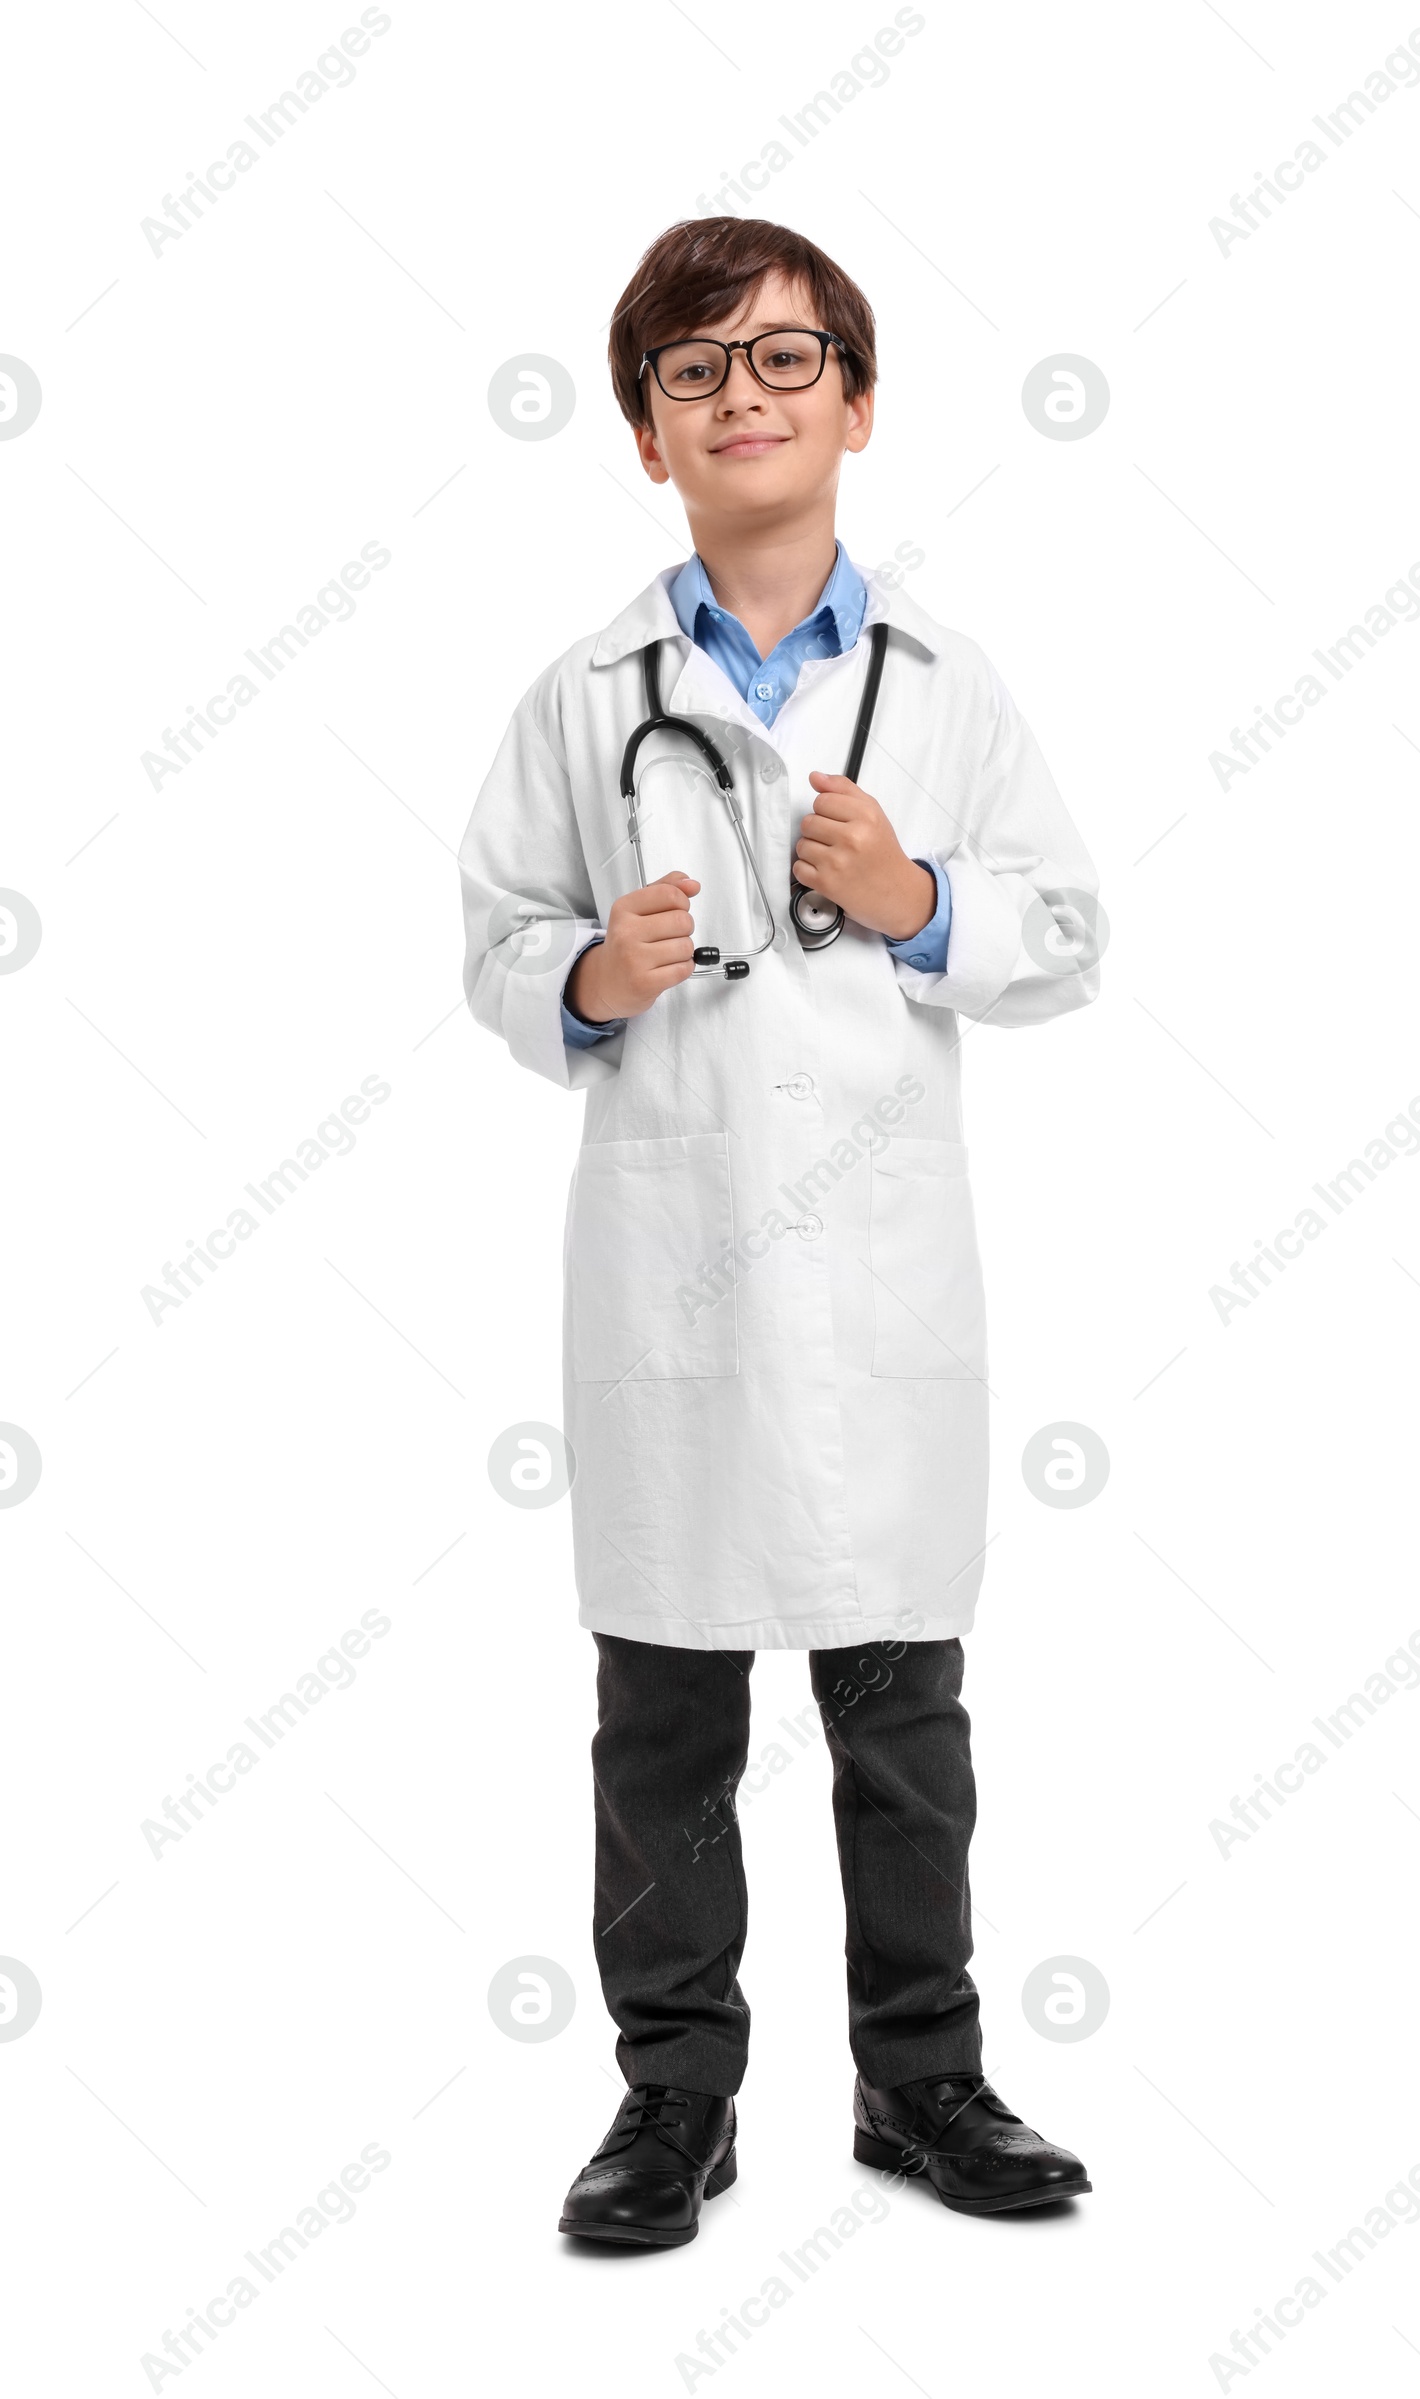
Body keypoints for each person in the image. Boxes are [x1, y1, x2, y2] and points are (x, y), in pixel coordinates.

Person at [459, 216, 1101, 2247]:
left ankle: (923, 2081)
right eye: (696, 371)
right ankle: (671, 2099)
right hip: (671, 1279)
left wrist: (915, 901)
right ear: (647, 434)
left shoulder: (941, 684)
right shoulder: (585, 696)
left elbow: (1061, 932)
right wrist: (590, 974)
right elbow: (491, 936)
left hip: (880, 1286)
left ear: (859, 401)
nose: (745, 395)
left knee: (899, 1714)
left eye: (783, 358)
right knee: (663, 1716)